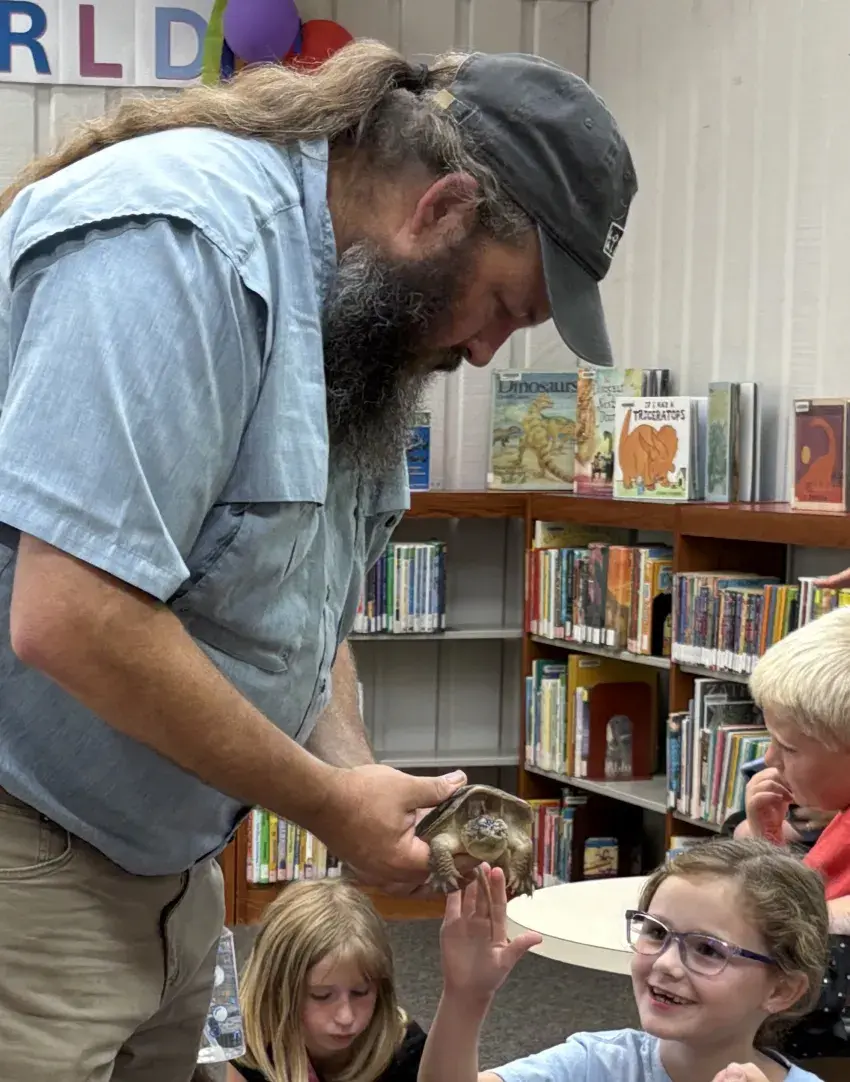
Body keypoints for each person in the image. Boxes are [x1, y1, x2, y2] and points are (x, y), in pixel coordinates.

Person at [0, 38, 636, 1081]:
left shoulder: (352, 319)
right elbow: (72, 614)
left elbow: (300, 606)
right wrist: (326, 804)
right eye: (501, 307)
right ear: (442, 209)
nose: (484, 351)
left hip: (165, 871)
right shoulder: (182, 241)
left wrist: (349, 767)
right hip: (28, 855)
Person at [417, 838, 830, 1082]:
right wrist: (465, 996)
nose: (666, 964)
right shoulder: (597, 1064)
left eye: (707, 949)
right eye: (657, 932)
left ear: (781, 990)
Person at [215, 878, 426, 1082]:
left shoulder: (403, 1048)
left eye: (360, 992)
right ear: (277, 989)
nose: (346, 1017)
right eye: (322, 996)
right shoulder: (247, 1036)